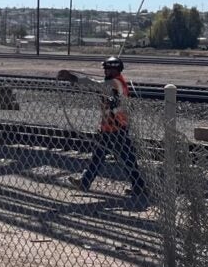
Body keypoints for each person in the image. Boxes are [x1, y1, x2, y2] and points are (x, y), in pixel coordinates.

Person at [57, 57, 148, 208]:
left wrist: (73, 78)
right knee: (101, 157)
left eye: (107, 69)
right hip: (109, 129)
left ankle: (139, 187)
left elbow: (95, 85)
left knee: (126, 159)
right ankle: (86, 182)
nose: (105, 71)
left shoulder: (115, 83)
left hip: (117, 129)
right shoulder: (114, 82)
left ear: (115, 69)